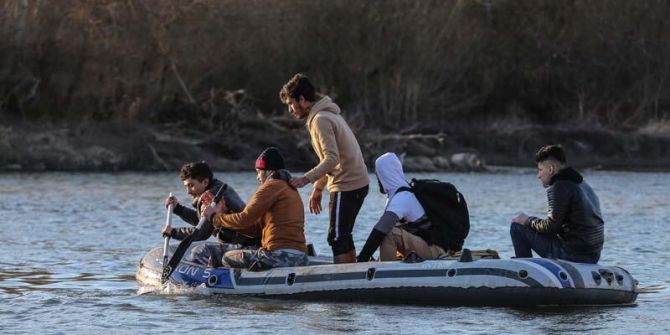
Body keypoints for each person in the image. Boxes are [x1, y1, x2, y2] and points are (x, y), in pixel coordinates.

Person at [280, 73, 369, 264]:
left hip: (347, 184)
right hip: (355, 182)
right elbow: (330, 160)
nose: (290, 109)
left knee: (336, 237)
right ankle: (351, 274)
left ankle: (344, 282)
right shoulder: (326, 115)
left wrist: (306, 179)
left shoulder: (320, 119)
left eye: (291, 104)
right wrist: (319, 188)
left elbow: (332, 159)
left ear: (302, 100)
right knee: (341, 235)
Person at [203, 147, 309, 269]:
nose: (257, 177)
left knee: (227, 257)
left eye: (258, 171)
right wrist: (225, 213)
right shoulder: (289, 188)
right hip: (301, 257)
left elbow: (244, 219)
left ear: (268, 171)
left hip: (279, 256)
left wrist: (214, 217)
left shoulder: (270, 186)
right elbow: (255, 229)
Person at [510, 145, 604, 264]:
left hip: (572, 255)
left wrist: (527, 220)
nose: (538, 176)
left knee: (517, 226)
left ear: (550, 169)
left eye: (540, 170)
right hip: (593, 256)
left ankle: (523, 271)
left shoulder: (559, 186)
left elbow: (550, 228)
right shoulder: (581, 184)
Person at [162, 161, 260, 266]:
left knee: (199, 253)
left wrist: (173, 233)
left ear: (205, 182)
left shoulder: (210, 197)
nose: (188, 191)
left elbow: (201, 232)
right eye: (186, 186)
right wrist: (178, 209)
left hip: (245, 246)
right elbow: (203, 221)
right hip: (246, 242)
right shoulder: (218, 188)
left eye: (191, 185)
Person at [357, 153, 449, 262]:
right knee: (390, 229)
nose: (378, 180)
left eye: (378, 175)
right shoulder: (399, 193)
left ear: (384, 175)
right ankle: (383, 263)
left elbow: (380, 231)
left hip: (434, 251)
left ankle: (385, 274)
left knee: (388, 233)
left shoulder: (402, 197)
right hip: (424, 245)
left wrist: (362, 259)